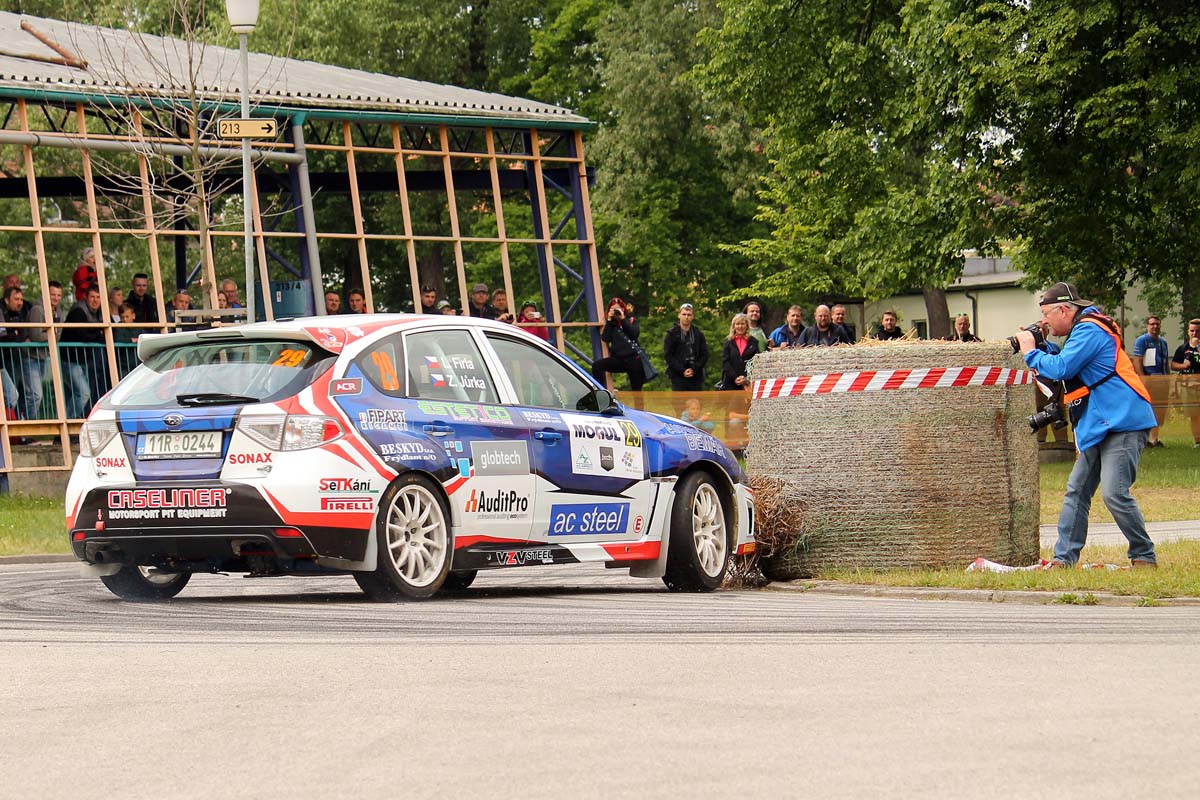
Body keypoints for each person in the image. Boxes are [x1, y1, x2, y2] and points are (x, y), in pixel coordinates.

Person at [1015, 282, 1158, 569]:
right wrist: (1042, 344)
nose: (1043, 321)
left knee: (1114, 492)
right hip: (1100, 424)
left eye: (1046, 314)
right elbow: (1065, 362)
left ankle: (1144, 556)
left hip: (1124, 421)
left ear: (1064, 309)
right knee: (1076, 491)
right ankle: (1063, 560)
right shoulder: (1082, 330)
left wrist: (1031, 351)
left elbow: (1062, 368)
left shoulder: (1090, 329)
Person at [60, 286, 107, 418]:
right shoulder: (79, 311)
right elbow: (82, 335)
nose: (95, 300)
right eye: (92, 297)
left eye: (98, 297)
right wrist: (99, 334)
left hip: (83, 359)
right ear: (86, 297)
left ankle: (71, 429)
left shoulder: (99, 312)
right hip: (70, 359)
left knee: (77, 394)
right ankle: (66, 424)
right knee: (83, 393)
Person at [1, 285, 42, 421]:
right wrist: (17, 335)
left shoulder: (24, 311)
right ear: (7, 300)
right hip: (6, 359)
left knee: (15, 395)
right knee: (13, 395)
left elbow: (23, 333)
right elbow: (6, 336)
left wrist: (16, 335)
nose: (20, 302)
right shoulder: (1, 311)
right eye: (16, 299)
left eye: (21, 299)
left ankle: (19, 429)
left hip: (14, 358)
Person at [591, 297, 646, 390]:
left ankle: (638, 405)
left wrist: (623, 319)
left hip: (634, 359)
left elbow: (634, 334)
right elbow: (605, 338)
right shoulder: (611, 324)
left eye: (618, 309)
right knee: (597, 366)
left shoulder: (631, 320)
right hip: (619, 359)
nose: (616, 311)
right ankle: (601, 391)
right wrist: (609, 320)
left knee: (636, 389)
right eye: (613, 309)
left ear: (623, 309)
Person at [1131, 315, 1170, 447]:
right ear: (1147, 326)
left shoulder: (1163, 342)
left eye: (1157, 324)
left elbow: (1166, 362)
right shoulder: (1142, 341)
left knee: (1159, 410)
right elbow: (1137, 360)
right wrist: (1143, 379)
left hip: (1162, 381)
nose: (1155, 327)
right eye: (1152, 324)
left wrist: (1168, 378)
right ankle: (1144, 439)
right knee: (1148, 409)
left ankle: (1155, 439)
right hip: (1149, 380)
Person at [663, 303, 709, 391]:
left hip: (695, 376)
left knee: (696, 403)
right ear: (679, 315)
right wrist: (682, 370)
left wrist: (694, 369)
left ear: (692, 317)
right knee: (679, 404)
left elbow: (704, 355)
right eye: (684, 314)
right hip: (678, 376)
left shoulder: (698, 334)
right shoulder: (671, 334)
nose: (686, 317)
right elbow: (668, 355)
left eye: (689, 315)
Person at [1170, 318, 1200, 448]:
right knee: (1194, 415)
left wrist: (1196, 347)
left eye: (1198, 331)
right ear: (1188, 332)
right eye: (1192, 331)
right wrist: (1183, 366)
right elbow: (1173, 365)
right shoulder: (1182, 348)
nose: (1195, 334)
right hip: (1189, 387)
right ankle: (1198, 442)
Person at [720, 312, 759, 390]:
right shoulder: (728, 342)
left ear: (747, 326)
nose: (740, 326)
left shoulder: (753, 341)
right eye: (737, 324)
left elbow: (755, 361)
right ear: (733, 326)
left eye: (742, 324)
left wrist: (745, 377)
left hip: (748, 383)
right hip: (730, 382)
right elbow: (725, 362)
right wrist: (735, 377)